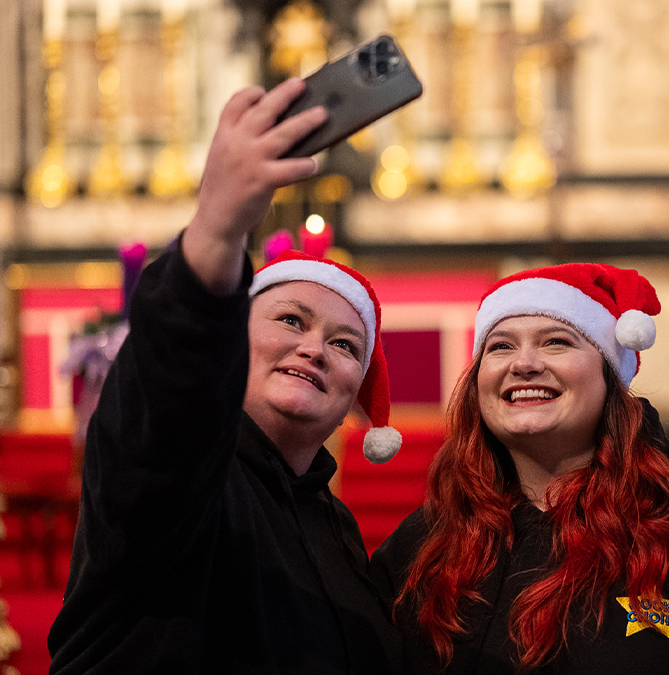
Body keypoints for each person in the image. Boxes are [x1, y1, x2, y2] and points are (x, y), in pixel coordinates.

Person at [48, 78, 403, 674]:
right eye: (290, 320)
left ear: (354, 397)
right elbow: (171, 390)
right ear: (228, 339)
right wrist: (214, 235)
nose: (314, 348)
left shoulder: (335, 527)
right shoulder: (179, 469)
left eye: (345, 345)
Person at [371, 264, 669, 674]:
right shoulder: (424, 545)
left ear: (609, 376)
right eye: (501, 347)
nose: (524, 363)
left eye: (556, 342)